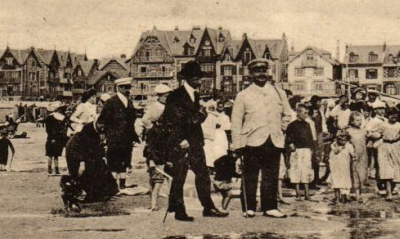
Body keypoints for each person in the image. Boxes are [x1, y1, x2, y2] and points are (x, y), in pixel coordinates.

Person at [156, 63, 228, 221]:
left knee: (202, 175)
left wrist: (201, 114)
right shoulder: (176, 96)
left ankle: (208, 208)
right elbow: (172, 121)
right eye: (196, 78)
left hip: (195, 142)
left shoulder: (195, 95)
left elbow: (193, 120)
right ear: (187, 78)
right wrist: (180, 140)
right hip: (182, 143)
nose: (199, 81)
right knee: (179, 177)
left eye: (199, 77)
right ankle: (179, 211)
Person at [230, 58, 294, 218]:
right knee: (250, 174)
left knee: (271, 175)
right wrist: (237, 144)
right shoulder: (243, 95)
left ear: (267, 72)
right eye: (257, 71)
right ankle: (249, 207)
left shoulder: (279, 92)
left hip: (274, 139)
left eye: (263, 71)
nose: (261, 74)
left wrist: (282, 127)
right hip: (251, 139)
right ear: (251, 74)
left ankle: (270, 207)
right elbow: (236, 121)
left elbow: (288, 114)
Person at [97, 78, 139, 189]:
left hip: (127, 138)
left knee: (125, 161)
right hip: (114, 138)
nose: (128, 90)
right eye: (125, 87)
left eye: (129, 87)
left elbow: (132, 119)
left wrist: (133, 136)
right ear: (119, 88)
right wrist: (107, 134)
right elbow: (102, 121)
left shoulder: (129, 102)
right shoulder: (111, 102)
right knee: (113, 162)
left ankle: (123, 184)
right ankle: (113, 185)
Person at [65, 121, 119, 203]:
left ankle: (101, 194)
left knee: (100, 169)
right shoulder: (84, 133)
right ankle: (92, 195)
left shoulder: (97, 130)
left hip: (87, 155)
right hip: (77, 154)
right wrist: (82, 162)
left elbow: (95, 147)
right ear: (98, 123)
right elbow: (80, 148)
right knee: (86, 173)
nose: (103, 127)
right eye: (102, 125)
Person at [377, 109, 400, 201]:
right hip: (384, 147)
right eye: (392, 116)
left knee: (396, 170)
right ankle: (388, 192)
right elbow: (377, 134)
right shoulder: (383, 124)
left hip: (396, 147)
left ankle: (391, 189)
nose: (394, 118)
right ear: (387, 116)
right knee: (387, 169)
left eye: (396, 116)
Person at [285, 103, 316, 201]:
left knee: (306, 170)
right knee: (296, 170)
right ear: (298, 113)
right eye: (304, 113)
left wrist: (311, 149)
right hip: (296, 150)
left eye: (307, 113)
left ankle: (307, 193)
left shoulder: (307, 124)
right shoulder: (292, 125)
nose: (306, 115)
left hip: (306, 150)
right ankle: (298, 193)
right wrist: (291, 145)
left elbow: (310, 137)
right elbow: (288, 137)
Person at [346, 111, 368, 202]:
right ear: (351, 121)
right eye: (357, 120)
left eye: (360, 120)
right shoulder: (348, 131)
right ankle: (354, 194)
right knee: (353, 174)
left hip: (363, 155)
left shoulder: (363, 131)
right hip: (353, 156)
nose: (359, 122)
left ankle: (360, 193)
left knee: (362, 174)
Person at [329, 129, 354, 204]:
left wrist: (354, 159)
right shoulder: (334, 145)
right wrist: (338, 147)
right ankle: (337, 198)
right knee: (336, 182)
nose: (343, 142)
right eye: (341, 140)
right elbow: (335, 152)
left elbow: (353, 154)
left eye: (344, 140)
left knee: (344, 182)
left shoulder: (349, 146)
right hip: (336, 167)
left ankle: (344, 198)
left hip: (345, 167)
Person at [44, 102, 68, 176]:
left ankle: (51, 169)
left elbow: (48, 130)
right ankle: (53, 169)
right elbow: (52, 130)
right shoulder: (54, 118)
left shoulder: (50, 117)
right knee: (54, 155)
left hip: (52, 138)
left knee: (52, 155)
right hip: (53, 138)